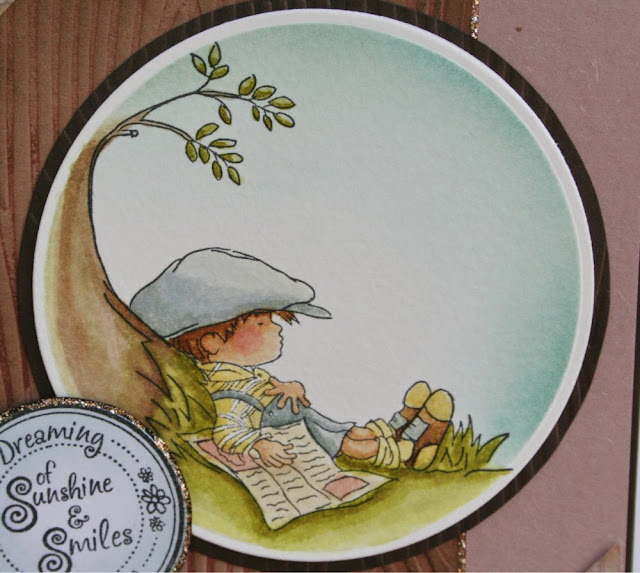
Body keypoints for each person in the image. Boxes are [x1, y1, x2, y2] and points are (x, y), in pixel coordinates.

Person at [130, 248, 453, 470]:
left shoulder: (240, 376)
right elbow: (228, 430)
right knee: (349, 444)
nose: (276, 328)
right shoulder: (226, 390)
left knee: (348, 432)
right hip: (297, 433)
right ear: (212, 341)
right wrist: (258, 444)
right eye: (261, 323)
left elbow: (263, 388)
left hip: (305, 419)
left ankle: (399, 425)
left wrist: (288, 387)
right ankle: (403, 451)